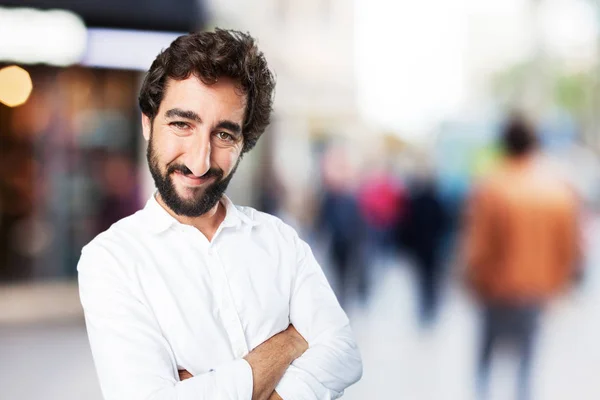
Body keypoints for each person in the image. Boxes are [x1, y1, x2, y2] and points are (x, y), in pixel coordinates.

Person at [77, 29, 362, 400]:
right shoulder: (111, 260)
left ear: (244, 142)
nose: (200, 161)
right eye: (182, 124)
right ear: (148, 123)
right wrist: (289, 342)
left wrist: (203, 387)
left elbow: (344, 354)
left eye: (224, 135)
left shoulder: (279, 240)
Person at [463, 114, 580, 400]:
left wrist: (470, 279)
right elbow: (568, 247)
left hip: (496, 289)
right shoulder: (557, 189)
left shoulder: (491, 186)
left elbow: (478, 244)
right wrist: (560, 285)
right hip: (536, 290)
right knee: (527, 362)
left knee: (486, 358)